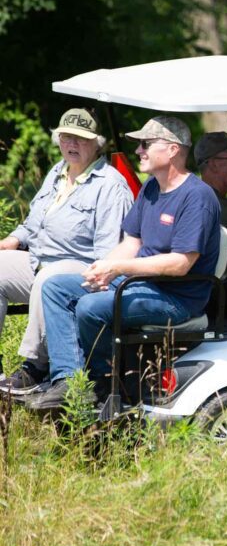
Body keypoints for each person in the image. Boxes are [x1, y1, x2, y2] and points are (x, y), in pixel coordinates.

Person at [30, 116, 221, 409]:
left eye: (145, 144)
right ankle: (69, 381)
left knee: (91, 307)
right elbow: (132, 243)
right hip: (140, 284)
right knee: (57, 288)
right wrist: (101, 268)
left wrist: (118, 269)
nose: (138, 151)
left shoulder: (198, 197)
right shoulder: (151, 188)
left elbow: (180, 264)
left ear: (172, 150)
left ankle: (107, 384)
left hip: (177, 297)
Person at [0, 108, 133, 396]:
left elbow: (109, 253)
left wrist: (93, 274)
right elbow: (32, 223)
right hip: (38, 259)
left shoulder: (110, 185)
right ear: (58, 139)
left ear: (96, 144)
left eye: (81, 139)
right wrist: (11, 240)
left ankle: (35, 366)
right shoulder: (57, 172)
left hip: (81, 268)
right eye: (66, 137)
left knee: (50, 279)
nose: (72, 144)